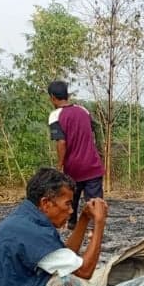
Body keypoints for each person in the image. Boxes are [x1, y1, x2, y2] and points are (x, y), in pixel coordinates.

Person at [47, 80, 106, 230]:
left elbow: (61, 142)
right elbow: (94, 129)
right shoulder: (83, 110)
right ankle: (95, 230)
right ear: (67, 95)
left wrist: (59, 165)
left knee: (70, 198)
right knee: (95, 202)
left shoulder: (55, 115)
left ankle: (72, 224)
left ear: (52, 97)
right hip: (93, 165)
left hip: (73, 167)